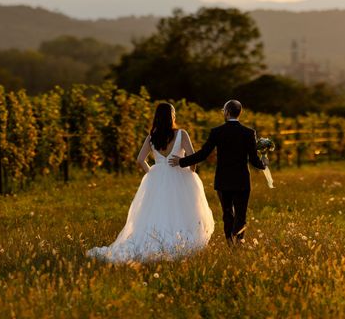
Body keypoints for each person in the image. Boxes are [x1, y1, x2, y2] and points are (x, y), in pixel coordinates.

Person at [87, 103, 214, 262]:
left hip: (158, 177)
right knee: (181, 211)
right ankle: (180, 243)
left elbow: (140, 160)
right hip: (180, 175)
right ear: (172, 116)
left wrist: (153, 173)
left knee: (158, 211)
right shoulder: (182, 134)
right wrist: (189, 170)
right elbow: (192, 159)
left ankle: (154, 241)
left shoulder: (151, 137)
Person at [169, 100, 265, 245]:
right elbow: (253, 160)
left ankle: (229, 241)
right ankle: (239, 240)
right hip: (242, 179)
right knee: (241, 213)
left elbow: (203, 154)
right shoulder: (249, 133)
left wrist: (182, 161)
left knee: (227, 212)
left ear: (226, 112)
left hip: (223, 179)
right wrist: (264, 164)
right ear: (239, 112)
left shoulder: (217, 132)